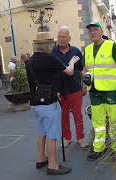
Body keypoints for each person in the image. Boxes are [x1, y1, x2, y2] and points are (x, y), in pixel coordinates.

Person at [26, 32, 79, 175]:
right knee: (52, 134)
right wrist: (72, 62)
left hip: (35, 103)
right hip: (48, 103)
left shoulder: (30, 60)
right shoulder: (50, 59)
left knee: (41, 131)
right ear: (48, 45)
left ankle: (41, 158)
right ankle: (53, 165)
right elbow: (69, 72)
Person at [82, 21, 116, 161]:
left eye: (96, 29)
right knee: (97, 121)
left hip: (109, 90)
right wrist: (86, 76)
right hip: (94, 91)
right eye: (90, 31)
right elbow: (84, 69)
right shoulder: (88, 49)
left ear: (102, 31)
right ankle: (98, 148)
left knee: (113, 120)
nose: (93, 32)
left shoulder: (111, 46)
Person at [51, 26, 85, 148]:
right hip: (61, 90)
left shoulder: (76, 51)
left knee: (77, 115)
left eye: (64, 36)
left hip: (75, 88)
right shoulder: (53, 52)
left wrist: (84, 85)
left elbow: (82, 69)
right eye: (59, 36)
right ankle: (66, 138)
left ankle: (80, 138)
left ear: (69, 38)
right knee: (64, 115)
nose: (61, 38)